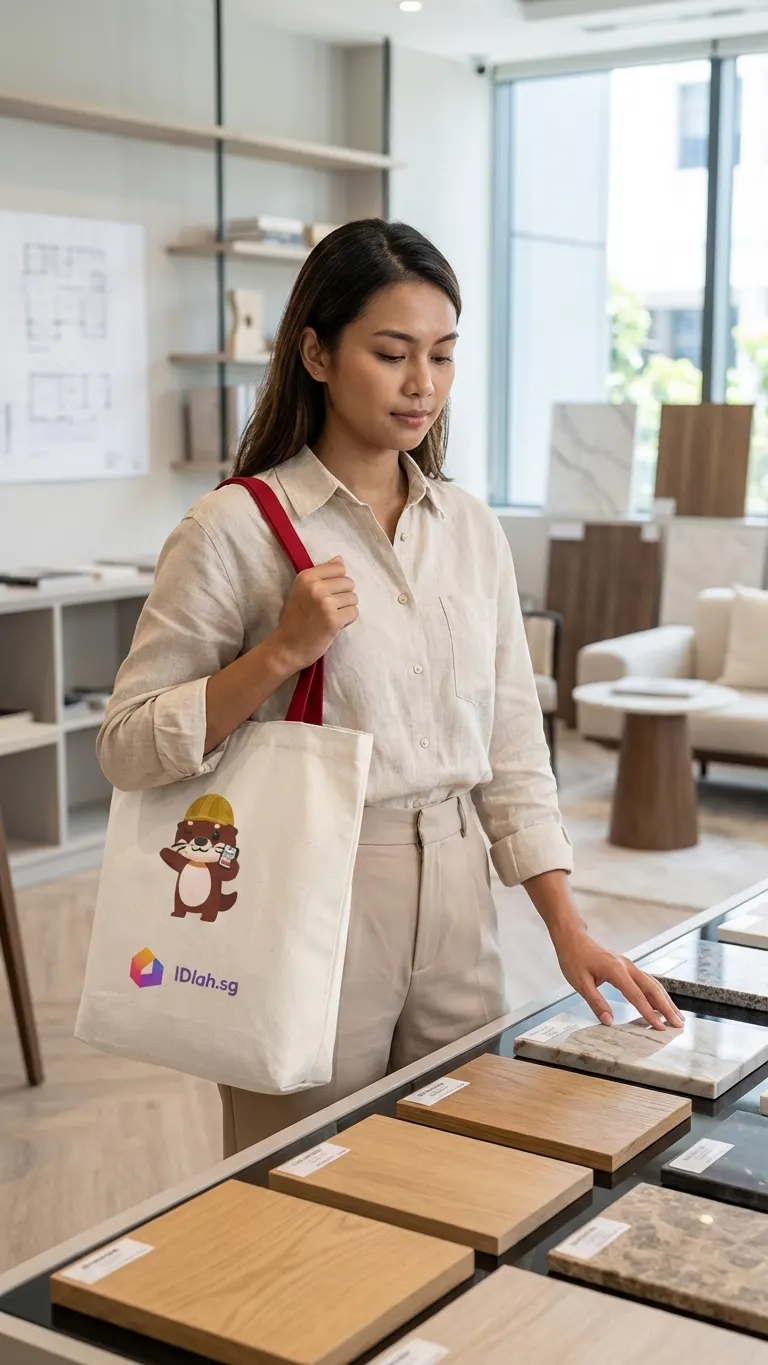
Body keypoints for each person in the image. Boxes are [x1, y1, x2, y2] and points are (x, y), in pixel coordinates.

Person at [98, 218, 682, 1156]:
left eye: (443, 355)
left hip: (458, 893)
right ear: (318, 353)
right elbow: (126, 744)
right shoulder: (233, 529)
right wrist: (279, 652)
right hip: (309, 882)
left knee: (458, 1169)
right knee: (299, 1187)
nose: (424, 384)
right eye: (393, 352)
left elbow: (511, 746)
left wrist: (565, 926)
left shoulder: (470, 529)